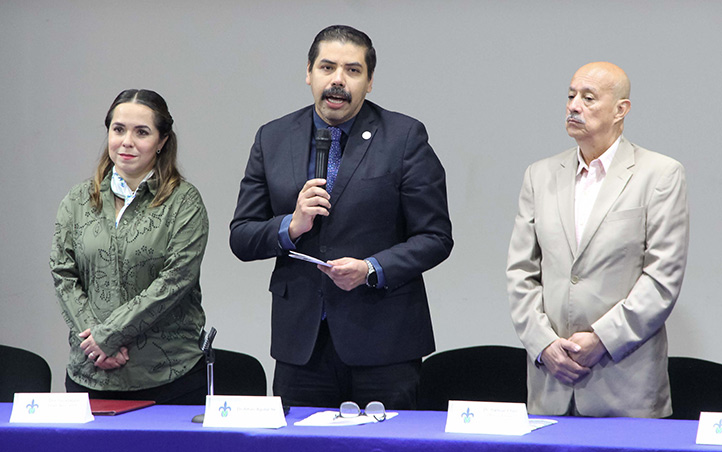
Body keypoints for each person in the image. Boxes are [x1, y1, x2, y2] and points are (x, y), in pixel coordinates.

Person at [230, 25, 453, 409]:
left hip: (384, 343)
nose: (338, 80)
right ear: (308, 73)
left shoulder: (403, 137)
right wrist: (291, 225)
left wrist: (371, 268)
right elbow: (242, 236)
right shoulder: (273, 137)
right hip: (301, 345)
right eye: (327, 67)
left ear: (369, 83)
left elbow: (435, 236)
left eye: (352, 71)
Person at [506, 62, 689, 418]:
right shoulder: (539, 175)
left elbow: (662, 278)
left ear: (621, 110)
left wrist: (602, 339)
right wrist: (543, 343)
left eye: (588, 98)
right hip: (551, 385)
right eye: (571, 96)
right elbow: (520, 272)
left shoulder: (660, 174)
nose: (574, 106)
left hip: (625, 387)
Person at [50, 89, 209, 404]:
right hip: (90, 373)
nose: (127, 141)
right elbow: (63, 274)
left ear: (162, 141)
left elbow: (175, 281)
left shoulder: (184, 203)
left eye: (142, 132)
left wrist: (109, 337)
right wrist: (95, 343)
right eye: (118, 129)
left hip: (168, 377)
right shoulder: (78, 200)